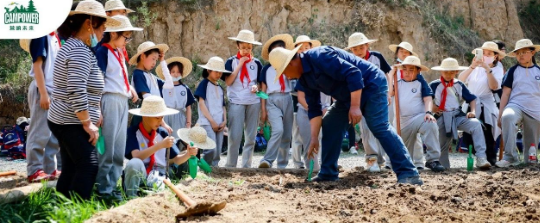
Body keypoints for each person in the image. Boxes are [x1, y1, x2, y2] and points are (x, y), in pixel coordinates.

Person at [268, 46, 422, 184]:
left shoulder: (320, 56)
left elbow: (354, 74)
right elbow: (314, 109)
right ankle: (328, 173)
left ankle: (409, 173)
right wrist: (314, 137)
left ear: (291, 63)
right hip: (348, 95)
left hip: (371, 84)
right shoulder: (304, 80)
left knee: (378, 125)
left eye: (284, 72)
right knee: (330, 123)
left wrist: (355, 107)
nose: (287, 77)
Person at [47, 0, 120, 199]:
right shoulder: (78, 51)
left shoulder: (78, 47)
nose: (103, 33)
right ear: (90, 23)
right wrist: (87, 122)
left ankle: (62, 207)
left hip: (68, 119)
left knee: (71, 168)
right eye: (102, 27)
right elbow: (76, 90)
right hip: (69, 121)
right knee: (88, 166)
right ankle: (78, 212)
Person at [94, 15, 141, 201]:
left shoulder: (119, 53)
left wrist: (131, 90)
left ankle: (113, 187)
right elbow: (99, 82)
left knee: (119, 148)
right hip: (109, 100)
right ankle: (102, 189)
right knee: (108, 147)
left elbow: (120, 78)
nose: (127, 41)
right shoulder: (102, 52)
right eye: (125, 37)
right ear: (113, 33)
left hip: (122, 101)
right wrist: (97, 108)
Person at [123, 96, 198, 198]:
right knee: (134, 163)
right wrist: (159, 145)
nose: (160, 121)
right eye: (157, 118)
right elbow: (137, 156)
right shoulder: (133, 132)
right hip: (142, 174)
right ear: (145, 116)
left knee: (161, 188)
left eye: (162, 118)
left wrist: (188, 153)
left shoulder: (162, 133)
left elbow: (176, 159)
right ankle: (132, 196)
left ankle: (155, 193)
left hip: (160, 175)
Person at [430, 58, 492, 169]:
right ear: (441, 72)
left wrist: (472, 112)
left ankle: (481, 158)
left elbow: (472, 99)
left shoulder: (459, 84)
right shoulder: (434, 85)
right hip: (441, 116)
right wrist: (433, 108)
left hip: (457, 114)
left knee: (475, 124)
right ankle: (443, 166)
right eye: (446, 72)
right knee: (442, 144)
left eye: (452, 72)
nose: (448, 75)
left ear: (456, 72)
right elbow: (426, 99)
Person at [19, 30, 62, 182]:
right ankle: (35, 169)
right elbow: (37, 65)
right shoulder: (41, 35)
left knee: (52, 134)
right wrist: (43, 93)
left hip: (53, 91)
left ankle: (50, 169)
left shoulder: (56, 37)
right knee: (39, 132)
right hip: (42, 89)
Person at [345, 32, 392, 171]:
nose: (358, 51)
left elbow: (387, 73)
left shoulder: (376, 57)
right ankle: (371, 159)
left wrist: (388, 91)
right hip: (361, 97)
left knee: (381, 126)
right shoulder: (349, 61)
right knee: (365, 128)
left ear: (367, 45)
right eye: (355, 49)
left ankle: (382, 158)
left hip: (378, 95)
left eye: (361, 47)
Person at [458, 41, 505, 166]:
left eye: (489, 53)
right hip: (471, 102)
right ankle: (479, 156)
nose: (485, 55)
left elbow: (494, 86)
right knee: (469, 133)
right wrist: (472, 66)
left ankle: (489, 157)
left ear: (495, 56)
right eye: (484, 53)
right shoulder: (474, 68)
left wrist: (487, 69)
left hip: (486, 104)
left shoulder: (497, 68)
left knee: (486, 130)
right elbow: (460, 81)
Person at [394, 56, 445, 172]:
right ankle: (407, 165)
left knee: (430, 123)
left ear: (418, 71)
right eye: (405, 69)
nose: (407, 73)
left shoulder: (421, 83)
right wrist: (392, 72)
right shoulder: (397, 83)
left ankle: (433, 160)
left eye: (411, 70)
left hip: (419, 117)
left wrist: (428, 113)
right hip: (402, 121)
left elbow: (428, 99)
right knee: (404, 155)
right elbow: (389, 92)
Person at [496, 39, 540, 167]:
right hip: (516, 105)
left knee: (531, 156)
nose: (521, 55)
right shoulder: (512, 71)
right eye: (518, 53)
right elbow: (505, 94)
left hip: (535, 108)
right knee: (508, 116)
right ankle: (510, 157)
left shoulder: (539, 71)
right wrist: (500, 115)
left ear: (532, 53)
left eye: (524, 52)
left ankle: (530, 159)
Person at [223, 30, 263, 168]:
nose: (246, 50)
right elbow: (228, 82)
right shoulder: (231, 62)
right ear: (238, 46)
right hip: (236, 102)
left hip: (253, 102)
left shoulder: (257, 63)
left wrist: (256, 88)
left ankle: (247, 166)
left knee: (251, 136)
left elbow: (260, 83)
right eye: (244, 47)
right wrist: (240, 64)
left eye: (249, 47)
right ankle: (231, 165)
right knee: (234, 136)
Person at [258, 34, 295, 169]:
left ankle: (282, 164)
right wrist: (263, 110)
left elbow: (293, 79)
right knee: (278, 130)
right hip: (272, 100)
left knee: (286, 134)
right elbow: (263, 89)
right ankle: (267, 160)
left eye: (281, 48)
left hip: (287, 97)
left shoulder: (289, 65)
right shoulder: (266, 69)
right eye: (274, 50)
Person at [386, 41, 425, 169]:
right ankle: (390, 162)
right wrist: (392, 75)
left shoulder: (416, 69)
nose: (403, 53)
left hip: (412, 104)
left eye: (406, 51)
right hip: (395, 102)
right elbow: (390, 90)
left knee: (415, 134)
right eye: (401, 51)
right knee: (392, 130)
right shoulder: (393, 69)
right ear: (397, 52)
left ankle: (418, 162)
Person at [291, 35, 323, 172]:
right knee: (303, 140)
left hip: (320, 110)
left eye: (306, 47)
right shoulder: (299, 71)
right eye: (300, 48)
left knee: (319, 140)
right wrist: (313, 110)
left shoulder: (319, 69)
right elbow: (301, 98)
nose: (304, 51)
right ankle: (307, 167)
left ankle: (319, 168)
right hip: (305, 110)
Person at [129, 41, 173, 133]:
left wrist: (162, 61)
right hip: (144, 116)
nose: (154, 63)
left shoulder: (151, 76)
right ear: (143, 56)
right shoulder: (138, 74)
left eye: (156, 60)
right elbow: (147, 98)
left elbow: (169, 84)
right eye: (153, 59)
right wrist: (162, 121)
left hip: (154, 115)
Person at [194, 57, 229, 166]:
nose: (219, 74)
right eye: (216, 71)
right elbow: (201, 103)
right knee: (211, 148)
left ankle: (214, 169)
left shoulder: (220, 88)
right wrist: (212, 121)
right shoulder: (204, 84)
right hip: (207, 122)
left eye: (220, 72)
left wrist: (224, 121)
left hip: (219, 122)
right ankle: (204, 166)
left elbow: (223, 106)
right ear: (209, 70)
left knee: (218, 150)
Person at [156, 57, 195, 133]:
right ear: (168, 73)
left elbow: (188, 108)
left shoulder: (185, 88)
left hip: (180, 117)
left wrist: (188, 123)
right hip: (165, 116)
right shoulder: (164, 89)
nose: (176, 74)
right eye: (173, 71)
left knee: (179, 140)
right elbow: (159, 106)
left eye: (178, 72)